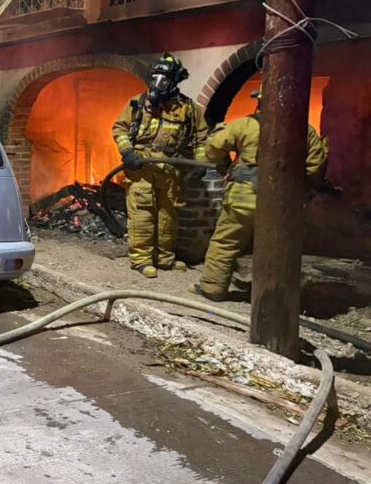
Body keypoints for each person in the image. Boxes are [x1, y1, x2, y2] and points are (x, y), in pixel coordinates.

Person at [194, 90, 329, 301]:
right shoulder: (304, 130)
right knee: (278, 248)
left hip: (243, 198)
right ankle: (275, 297)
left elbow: (213, 148)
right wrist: (299, 187)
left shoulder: (245, 125)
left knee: (225, 242)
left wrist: (225, 165)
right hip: (282, 202)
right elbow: (315, 167)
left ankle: (212, 288)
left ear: (260, 103)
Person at [112, 52, 208, 278]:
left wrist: (200, 163)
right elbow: (120, 129)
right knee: (142, 213)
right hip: (141, 168)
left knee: (168, 215)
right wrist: (127, 152)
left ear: (174, 81)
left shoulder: (189, 109)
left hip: (170, 169)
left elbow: (201, 138)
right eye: (155, 78)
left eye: (163, 80)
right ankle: (141, 259)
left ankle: (165, 257)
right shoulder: (138, 103)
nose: (157, 84)